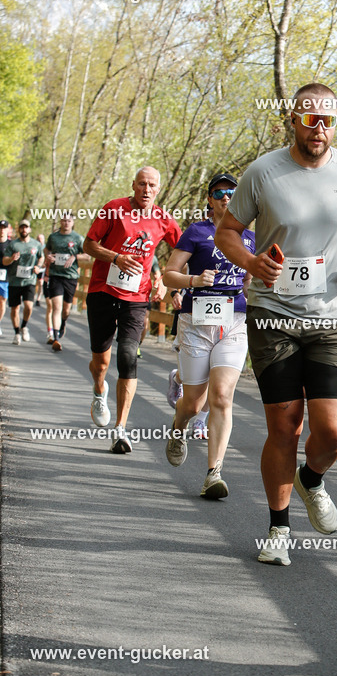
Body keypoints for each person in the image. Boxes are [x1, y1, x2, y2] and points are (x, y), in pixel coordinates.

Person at [215, 82, 337, 565]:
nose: (320, 128)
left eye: (328, 119)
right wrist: (250, 262)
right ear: (293, 120)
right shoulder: (263, 172)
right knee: (285, 425)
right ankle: (277, 528)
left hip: (332, 315)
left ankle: (312, 478)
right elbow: (229, 231)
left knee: (332, 432)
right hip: (273, 314)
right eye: (310, 118)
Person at [162, 172, 254, 499]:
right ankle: (178, 427)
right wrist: (194, 281)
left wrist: (253, 285)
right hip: (196, 321)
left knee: (222, 396)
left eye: (232, 192)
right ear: (210, 199)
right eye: (219, 193)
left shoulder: (251, 237)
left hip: (235, 321)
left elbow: (254, 278)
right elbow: (168, 273)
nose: (226, 197)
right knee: (193, 402)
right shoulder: (196, 232)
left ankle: (213, 473)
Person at [83, 166, 180, 454]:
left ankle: (121, 429)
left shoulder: (164, 219)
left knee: (127, 356)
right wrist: (116, 257)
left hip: (136, 298)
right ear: (133, 185)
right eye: (141, 184)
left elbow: (184, 251)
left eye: (152, 185)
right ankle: (99, 390)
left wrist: (166, 280)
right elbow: (89, 244)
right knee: (101, 361)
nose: (146, 190)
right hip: (102, 290)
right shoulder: (113, 209)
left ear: (158, 189)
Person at [44, 212, 88, 351]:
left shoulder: (77, 238)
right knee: (56, 306)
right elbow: (46, 250)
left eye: (69, 221)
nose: (66, 223)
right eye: (63, 220)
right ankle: (56, 338)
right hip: (55, 275)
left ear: (72, 222)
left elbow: (87, 256)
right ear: (60, 222)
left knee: (66, 309)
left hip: (70, 277)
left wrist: (75, 257)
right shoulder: (54, 237)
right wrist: (48, 256)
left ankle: (63, 323)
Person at [3, 218, 44, 344]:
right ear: (19, 229)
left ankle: (24, 326)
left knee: (28, 306)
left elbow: (41, 257)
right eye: (22, 227)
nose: (24, 229)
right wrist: (11, 259)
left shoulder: (36, 244)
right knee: (14, 309)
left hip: (29, 281)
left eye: (26, 227)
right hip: (15, 280)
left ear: (29, 229)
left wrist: (38, 266)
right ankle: (16, 333)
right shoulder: (13, 244)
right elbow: (4, 261)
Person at [0, 220, 10, 336]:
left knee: (2, 302)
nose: (2, 230)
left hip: (5, 277)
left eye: (4, 228)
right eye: (0, 228)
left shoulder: (10, 245)